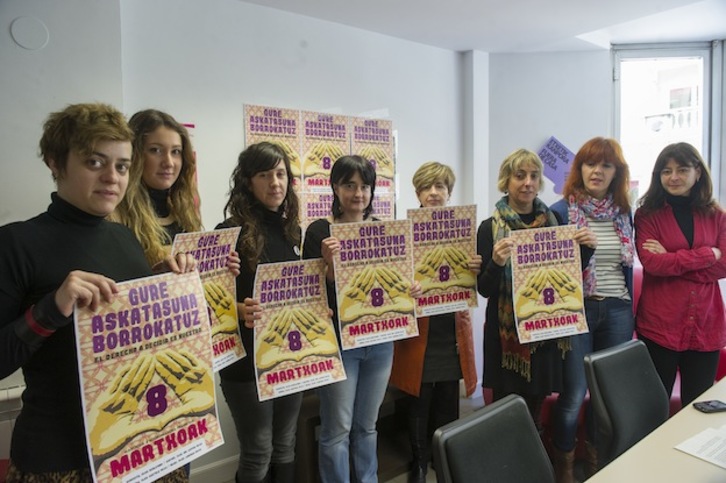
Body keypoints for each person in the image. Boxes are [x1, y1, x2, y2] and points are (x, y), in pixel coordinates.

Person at [0, 103, 195, 482]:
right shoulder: (16, 244)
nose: (112, 177)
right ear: (56, 162)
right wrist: (51, 308)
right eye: (94, 162)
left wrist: (159, 284)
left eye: (122, 166)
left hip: (141, 443)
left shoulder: (124, 238)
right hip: (60, 457)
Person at [303, 155, 421, 483]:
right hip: (340, 342)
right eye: (349, 185)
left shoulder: (381, 230)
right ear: (335, 188)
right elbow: (309, 295)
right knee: (337, 428)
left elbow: (392, 280)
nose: (358, 193)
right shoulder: (319, 231)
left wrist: (408, 286)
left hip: (380, 340)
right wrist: (327, 265)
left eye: (365, 186)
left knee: (367, 425)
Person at [476, 149, 594, 437]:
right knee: (507, 414)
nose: (527, 182)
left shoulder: (554, 221)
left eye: (533, 176)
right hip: (507, 339)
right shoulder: (489, 228)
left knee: (535, 412)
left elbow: (565, 278)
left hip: (544, 334)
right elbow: (484, 289)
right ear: (506, 181)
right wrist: (497, 262)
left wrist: (587, 249)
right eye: (520, 176)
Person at [389, 161, 480, 483]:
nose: (434, 193)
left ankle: (444, 460)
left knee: (447, 399)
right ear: (417, 194)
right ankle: (418, 462)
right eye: (427, 188)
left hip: (451, 325)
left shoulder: (463, 230)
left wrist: (475, 266)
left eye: (440, 186)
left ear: (449, 192)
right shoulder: (403, 232)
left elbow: (474, 279)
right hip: (420, 329)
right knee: (419, 399)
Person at [216, 141, 303, 483]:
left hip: (288, 356)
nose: (275, 183)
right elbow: (203, 302)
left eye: (280, 174)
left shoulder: (291, 230)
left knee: (285, 445)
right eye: (265, 175)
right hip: (245, 362)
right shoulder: (227, 233)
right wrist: (237, 309)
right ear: (248, 181)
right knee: (258, 451)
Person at [549, 137, 633, 482]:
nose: (597, 171)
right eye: (589, 164)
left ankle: (597, 465)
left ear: (616, 172)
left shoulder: (626, 213)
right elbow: (548, 272)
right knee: (573, 393)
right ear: (579, 169)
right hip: (577, 308)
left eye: (606, 165)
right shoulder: (559, 211)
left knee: (605, 394)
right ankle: (565, 467)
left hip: (618, 309)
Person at [636, 142, 726, 408]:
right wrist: (708, 254)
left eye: (682, 169)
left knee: (698, 407)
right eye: (666, 171)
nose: (673, 177)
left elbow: (725, 265)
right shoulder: (647, 214)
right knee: (654, 406)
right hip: (659, 325)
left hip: (706, 325)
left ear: (697, 172)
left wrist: (671, 259)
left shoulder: (716, 215)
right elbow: (652, 264)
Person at [111, 109, 202, 267]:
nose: (169, 162)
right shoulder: (115, 214)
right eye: (156, 150)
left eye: (175, 152)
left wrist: (220, 268)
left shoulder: (184, 208)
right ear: (134, 154)